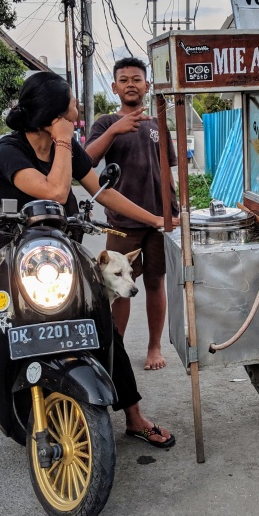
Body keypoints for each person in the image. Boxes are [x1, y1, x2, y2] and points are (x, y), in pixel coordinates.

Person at [0, 71, 176, 448]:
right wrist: (61, 141)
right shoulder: (8, 150)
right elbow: (55, 192)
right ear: (52, 113)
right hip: (10, 245)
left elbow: (100, 193)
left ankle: (134, 416)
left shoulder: (69, 146)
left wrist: (153, 218)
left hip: (61, 244)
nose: (77, 110)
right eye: (72, 104)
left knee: (100, 319)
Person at [85, 57, 177, 371]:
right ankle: (117, 349)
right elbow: (85, 161)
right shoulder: (105, 122)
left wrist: (174, 209)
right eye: (123, 80)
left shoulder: (157, 124)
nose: (130, 84)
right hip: (122, 224)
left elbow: (168, 171)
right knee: (118, 287)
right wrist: (114, 131)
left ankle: (154, 347)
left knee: (155, 283)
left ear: (147, 86)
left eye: (136, 79)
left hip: (158, 222)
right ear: (114, 87)